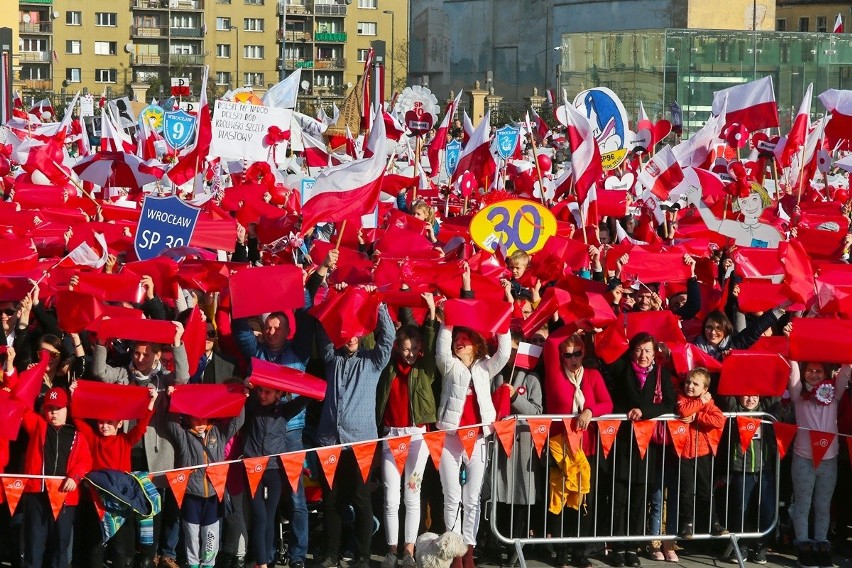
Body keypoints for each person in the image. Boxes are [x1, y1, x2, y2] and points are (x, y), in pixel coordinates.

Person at [314, 294, 394, 568]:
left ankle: (362, 557)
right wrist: (334, 298)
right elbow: (323, 332)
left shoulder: (372, 362)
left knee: (361, 501)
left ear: (362, 335)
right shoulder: (332, 359)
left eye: (356, 333)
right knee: (331, 501)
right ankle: (330, 554)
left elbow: (388, 339)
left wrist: (378, 304)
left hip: (361, 443)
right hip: (330, 440)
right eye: (346, 332)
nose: (351, 338)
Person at [435, 320, 512, 568]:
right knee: (451, 496)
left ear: (476, 345)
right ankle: (453, 551)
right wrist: (447, 325)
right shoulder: (448, 365)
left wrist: (503, 321)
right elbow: (441, 349)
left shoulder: (484, 367)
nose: (460, 341)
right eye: (457, 337)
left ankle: (468, 550)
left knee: (472, 499)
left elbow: (505, 352)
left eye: (465, 338)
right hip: (450, 439)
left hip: (478, 439)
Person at [376, 293, 439, 568]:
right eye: (406, 348)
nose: (410, 353)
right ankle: (392, 551)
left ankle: (409, 552)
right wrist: (378, 305)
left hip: (417, 437)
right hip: (391, 435)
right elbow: (377, 339)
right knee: (391, 496)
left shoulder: (425, 368)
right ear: (397, 347)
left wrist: (432, 313)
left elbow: (432, 339)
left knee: (412, 494)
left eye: (415, 348)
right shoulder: (388, 366)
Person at [606, 332, 675, 568]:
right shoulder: (622, 368)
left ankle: (632, 547)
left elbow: (668, 403)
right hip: (623, 443)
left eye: (648, 350)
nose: (643, 355)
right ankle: (617, 547)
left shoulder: (661, 374)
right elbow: (604, 362)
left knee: (639, 499)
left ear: (655, 351)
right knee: (619, 498)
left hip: (647, 447)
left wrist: (644, 411)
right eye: (638, 350)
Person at [543, 331, 612, 568]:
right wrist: (575, 323)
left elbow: (607, 403)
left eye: (578, 353)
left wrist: (590, 410)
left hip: (586, 447)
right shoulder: (555, 374)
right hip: (561, 448)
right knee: (561, 499)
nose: (573, 359)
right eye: (568, 354)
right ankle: (561, 552)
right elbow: (552, 342)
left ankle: (580, 552)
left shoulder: (592, 375)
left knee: (582, 501)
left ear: (584, 353)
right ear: (560, 357)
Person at [71, 381, 158, 568]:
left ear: (119, 424)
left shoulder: (125, 441)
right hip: (97, 502)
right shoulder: (93, 439)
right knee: (95, 546)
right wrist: (73, 396)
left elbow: (141, 427)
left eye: (109, 422)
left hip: (121, 502)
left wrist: (150, 404)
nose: (104, 426)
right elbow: (77, 420)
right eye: (101, 422)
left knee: (120, 549)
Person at [166, 391, 246, 568]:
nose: (200, 423)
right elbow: (170, 423)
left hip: (212, 495)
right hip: (191, 494)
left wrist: (241, 396)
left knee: (211, 534)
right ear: (187, 419)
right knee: (192, 535)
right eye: (195, 419)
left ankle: (209, 564)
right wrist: (173, 398)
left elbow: (237, 421)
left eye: (204, 419)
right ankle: (193, 564)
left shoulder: (219, 433)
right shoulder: (184, 436)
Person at [20, 386, 92, 568]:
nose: (54, 413)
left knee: (60, 545)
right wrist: (12, 372)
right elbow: (21, 402)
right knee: (34, 544)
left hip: (65, 498)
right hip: (37, 495)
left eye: (58, 408)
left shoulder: (77, 435)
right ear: (44, 410)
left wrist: (75, 478)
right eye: (50, 408)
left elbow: (85, 461)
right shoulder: (38, 426)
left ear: (67, 409)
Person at [788, 360, 851, 568]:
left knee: (823, 506)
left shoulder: (834, 394)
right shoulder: (798, 395)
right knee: (803, 505)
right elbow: (793, 372)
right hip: (803, 458)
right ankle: (803, 546)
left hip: (829, 459)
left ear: (825, 374)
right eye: (810, 371)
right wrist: (793, 351)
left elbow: (845, 372)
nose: (814, 374)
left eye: (818, 371)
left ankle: (821, 545)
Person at [242, 383, 313, 568]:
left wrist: (290, 383)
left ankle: (266, 560)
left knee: (270, 514)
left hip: (274, 470)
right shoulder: (252, 407)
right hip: (253, 468)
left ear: (278, 394)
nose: (262, 395)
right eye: (260, 391)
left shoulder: (284, 410)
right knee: (259, 516)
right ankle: (262, 562)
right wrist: (247, 387)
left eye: (267, 392)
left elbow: (306, 397)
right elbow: (243, 397)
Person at [719, 393, 778, 564]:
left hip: (765, 470)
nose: (751, 400)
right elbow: (727, 392)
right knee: (740, 509)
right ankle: (741, 546)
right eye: (746, 396)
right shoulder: (734, 410)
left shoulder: (766, 411)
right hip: (741, 469)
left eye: (754, 396)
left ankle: (761, 546)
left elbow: (777, 394)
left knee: (767, 509)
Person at [674, 368, 727, 539]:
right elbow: (683, 411)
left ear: (704, 389)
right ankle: (686, 524)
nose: (689, 386)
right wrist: (699, 404)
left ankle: (714, 523)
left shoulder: (708, 403)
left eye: (695, 384)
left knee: (706, 490)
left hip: (702, 452)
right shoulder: (682, 397)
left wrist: (698, 415)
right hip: (684, 452)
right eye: (688, 382)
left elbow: (719, 420)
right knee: (686, 491)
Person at [684, 182, 782, 248]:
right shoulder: (736, 227)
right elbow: (712, 224)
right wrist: (698, 202)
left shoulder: (771, 231)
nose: (750, 205)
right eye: (743, 202)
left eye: (755, 199)